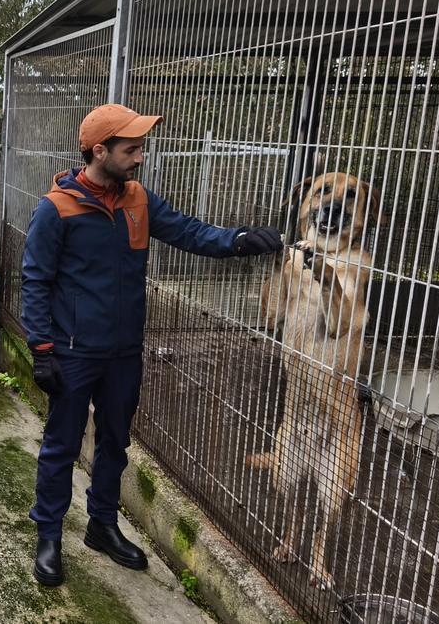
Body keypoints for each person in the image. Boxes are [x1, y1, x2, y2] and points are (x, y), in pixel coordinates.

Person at [21, 103, 283, 586]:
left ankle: (101, 525)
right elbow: (35, 281)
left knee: (115, 442)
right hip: (74, 353)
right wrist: (41, 350)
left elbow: (189, 231)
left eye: (140, 147)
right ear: (100, 151)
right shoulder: (56, 208)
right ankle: (50, 535)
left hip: (124, 352)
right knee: (61, 446)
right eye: (131, 148)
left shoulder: (138, 199)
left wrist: (239, 239)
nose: (140, 157)